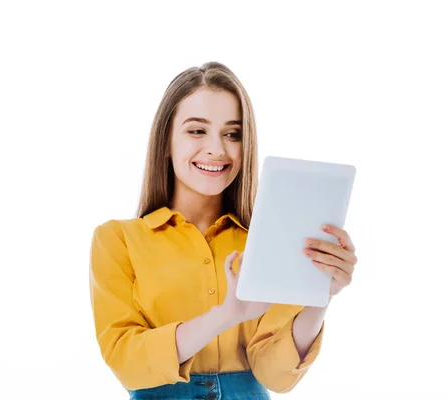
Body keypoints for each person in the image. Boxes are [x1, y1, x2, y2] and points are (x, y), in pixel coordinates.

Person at [89, 61, 358, 399]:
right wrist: (226, 315)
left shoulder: (266, 244)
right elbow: (125, 360)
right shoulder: (118, 241)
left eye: (233, 133)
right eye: (197, 130)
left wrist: (320, 294)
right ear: (166, 141)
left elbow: (275, 376)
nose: (217, 149)